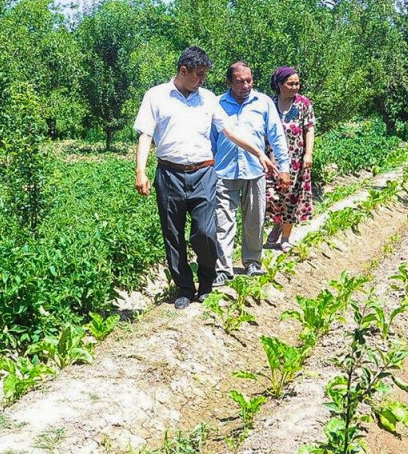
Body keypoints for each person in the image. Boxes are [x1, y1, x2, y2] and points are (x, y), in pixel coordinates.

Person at [134, 47, 280, 310]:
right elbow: (145, 134)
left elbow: (229, 130)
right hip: (168, 174)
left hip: (203, 173)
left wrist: (258, 152)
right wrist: (141, 171)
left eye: (205, 75)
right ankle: (184, 288)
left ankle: (206, 282)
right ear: (183, 71)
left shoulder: (209, 99)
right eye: (199, 75)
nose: (202, 80)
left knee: (205, 231)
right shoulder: (156, 96)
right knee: (173, 234)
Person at [210, 61, 292, 284]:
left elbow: (277, 137)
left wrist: (284, 168)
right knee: (222, 222)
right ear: (228, 82)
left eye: (249, 80)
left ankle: (253, 263)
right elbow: (211, 140)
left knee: (254, 220)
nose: (246, 85)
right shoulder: (216, 104)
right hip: (223, 172)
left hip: (255, 171)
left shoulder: (264, 103)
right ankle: (223, 269)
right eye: (239, 81)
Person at [265, 66, 316, 252]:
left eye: (297, 83)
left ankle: (285, 236)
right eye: (290, 83)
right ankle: (277, 224)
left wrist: (308, 154)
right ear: (279, 85)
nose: (295, 87)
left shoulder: (303, 103)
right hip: (272, 158)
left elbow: (309, 128)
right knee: (271, 196)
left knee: (291, 198)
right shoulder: (269, 103)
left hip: (296, 160)